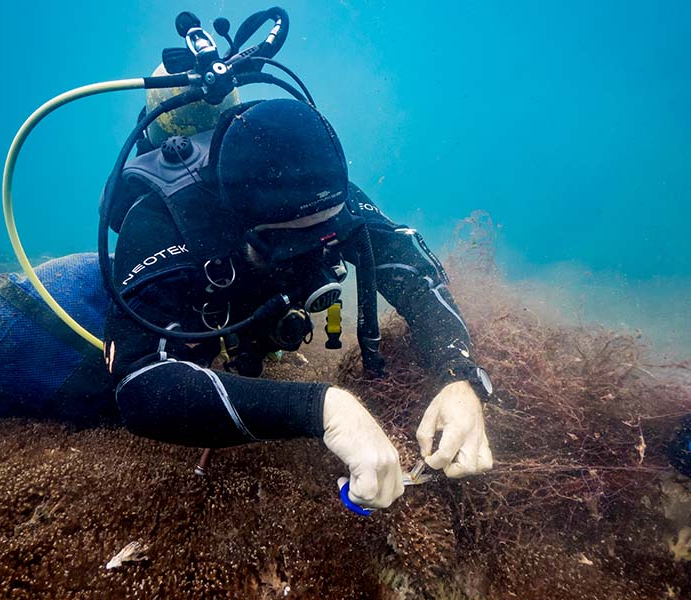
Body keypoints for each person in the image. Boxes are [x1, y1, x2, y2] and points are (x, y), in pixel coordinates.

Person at [102, 92, 495, 511]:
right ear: (235, 225)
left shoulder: (320, 191)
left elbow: (412, 269)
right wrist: (322, 408)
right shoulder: (156, 223)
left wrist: (461, 376)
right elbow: (140, 385)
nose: (310, 259)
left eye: (323, 234)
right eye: (288, 244)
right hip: (180, 284)